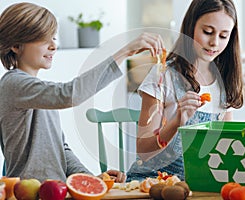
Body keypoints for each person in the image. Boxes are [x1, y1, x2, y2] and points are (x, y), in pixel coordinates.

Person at [0, 2, 165, 183]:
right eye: (42, 39)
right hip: (29, 192)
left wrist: (90, 179)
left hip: (57, 190)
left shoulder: (37, 91)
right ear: (15, 45)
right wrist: (124, 52)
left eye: (53, 38)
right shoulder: (13, 84)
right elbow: (69, 94)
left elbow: (61, 149)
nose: (53, 46)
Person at [126, 0, 243, 181]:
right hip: (152, 181)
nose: (214, 43)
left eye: (223, 36)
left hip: (198, 183)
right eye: (208, 32)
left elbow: (223, 146)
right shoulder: (163, 76)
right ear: (191, 27)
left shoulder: (225, 81)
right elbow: (143, 151)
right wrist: (176, 122)